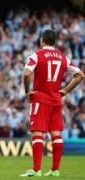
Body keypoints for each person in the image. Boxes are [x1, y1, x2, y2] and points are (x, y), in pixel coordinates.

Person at [20, 29, 84, 177]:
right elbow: (80, 75)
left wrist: (27, 90)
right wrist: (65, 90)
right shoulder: (63, 58)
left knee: (37, 133)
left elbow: (26, 73)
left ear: (42, 40)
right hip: (56, 99)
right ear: (54, 41)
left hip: (41, 98)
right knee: (56, 134)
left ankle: (36, 170)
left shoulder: (36, 55)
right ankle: (55, 170)